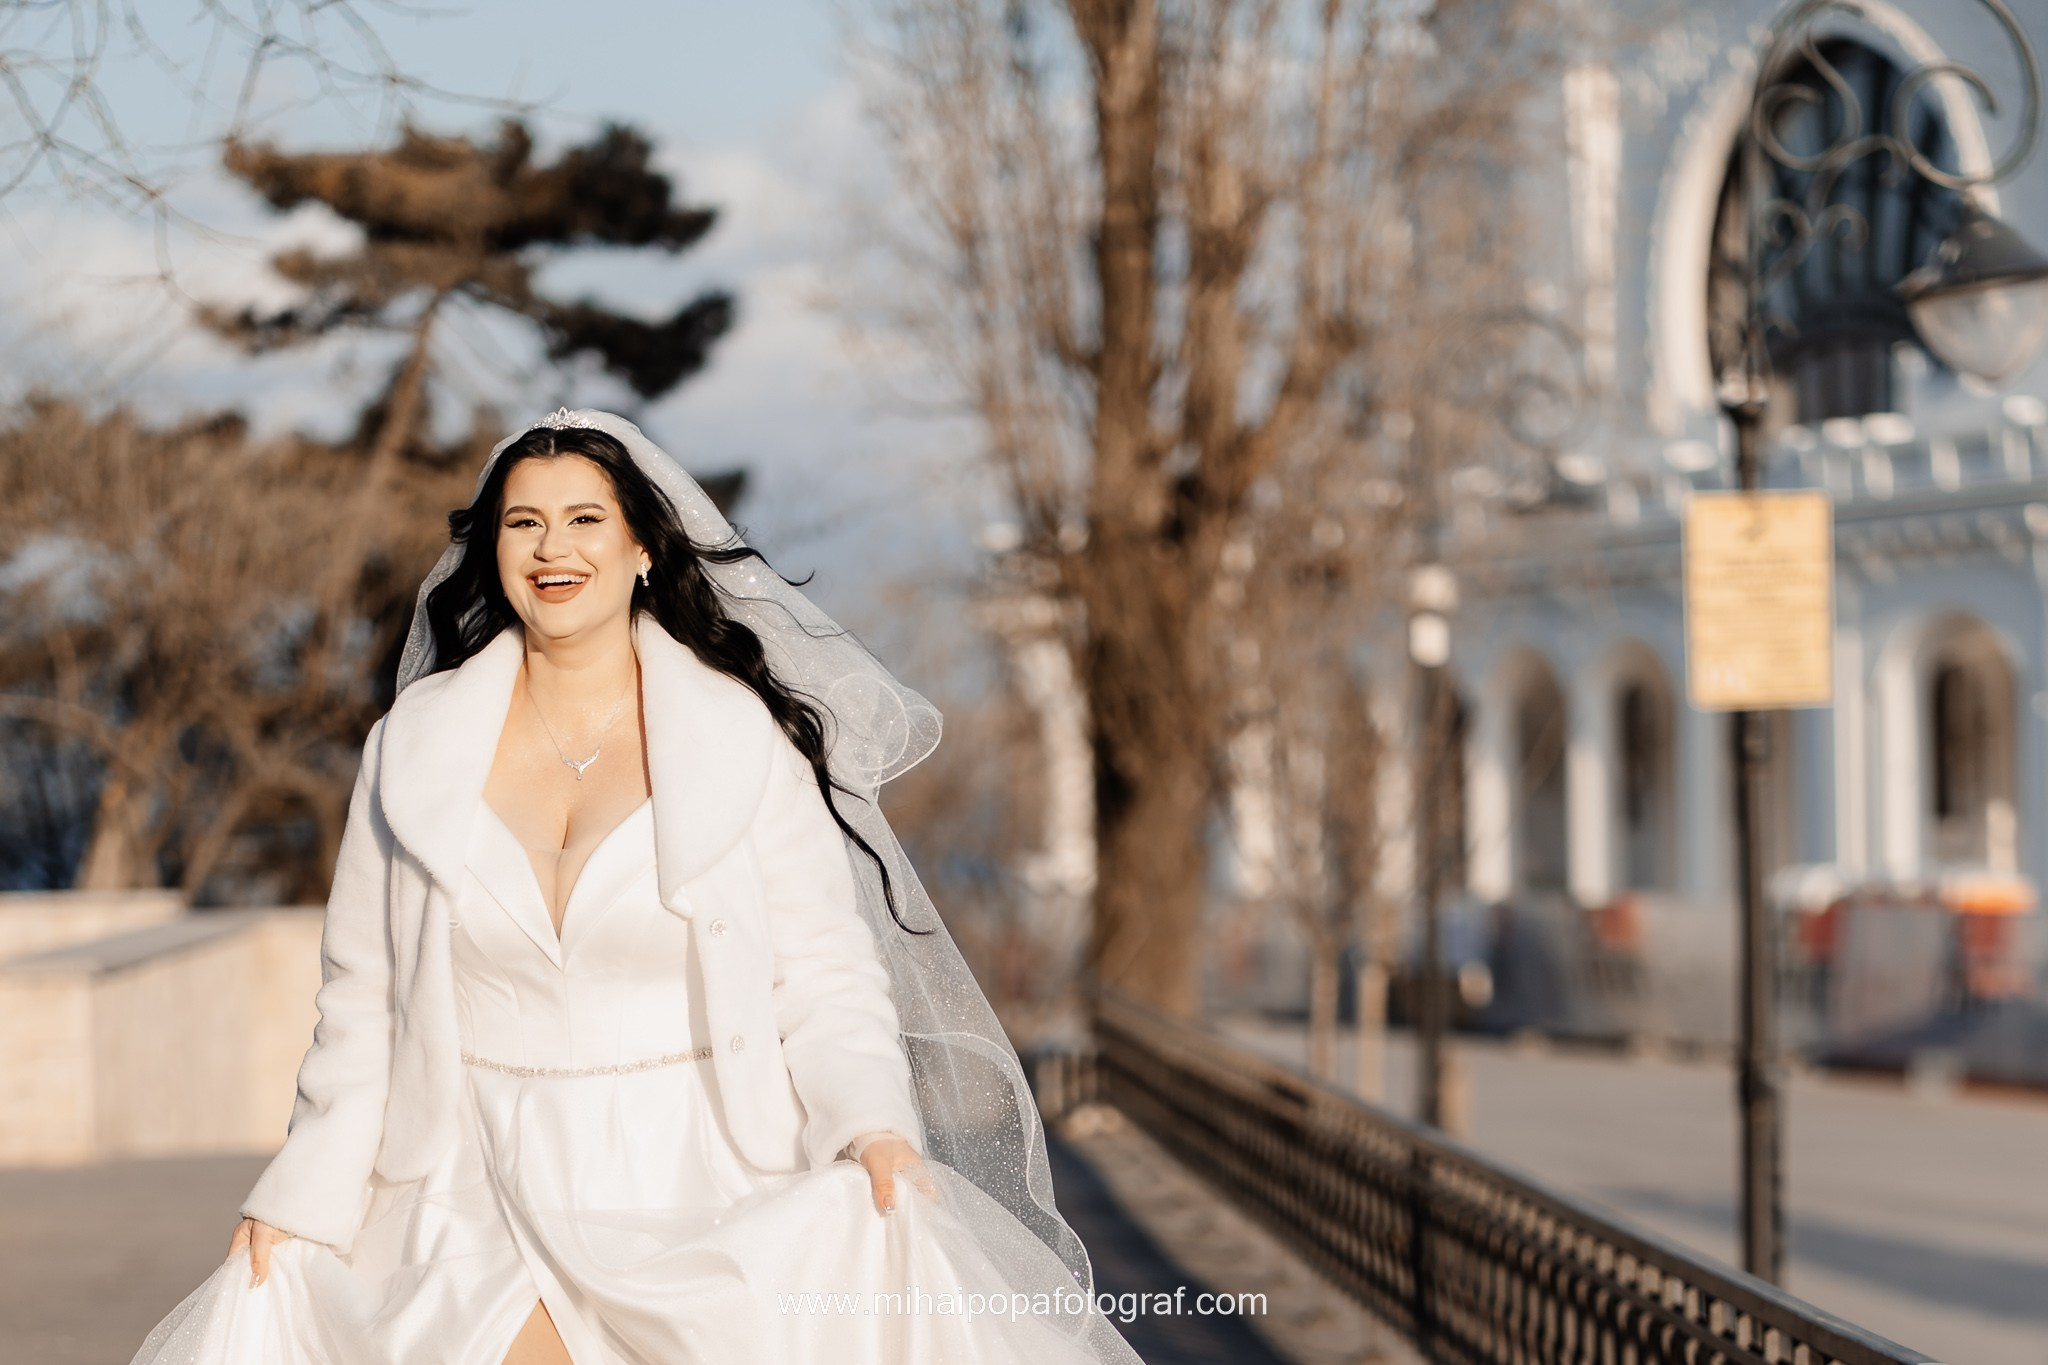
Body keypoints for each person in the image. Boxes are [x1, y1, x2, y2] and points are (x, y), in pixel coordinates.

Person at [128, 409, 1143, 1365]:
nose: (551, 548)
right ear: (492, 551)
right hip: (466, 1175)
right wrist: (301, 1189)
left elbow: (826, 979)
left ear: (641, 547)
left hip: (692, 1168)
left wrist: (869, 1124)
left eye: (583, 520)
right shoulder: (411, 749)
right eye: (523, 523)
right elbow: (360, 1005)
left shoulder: (740, 740)